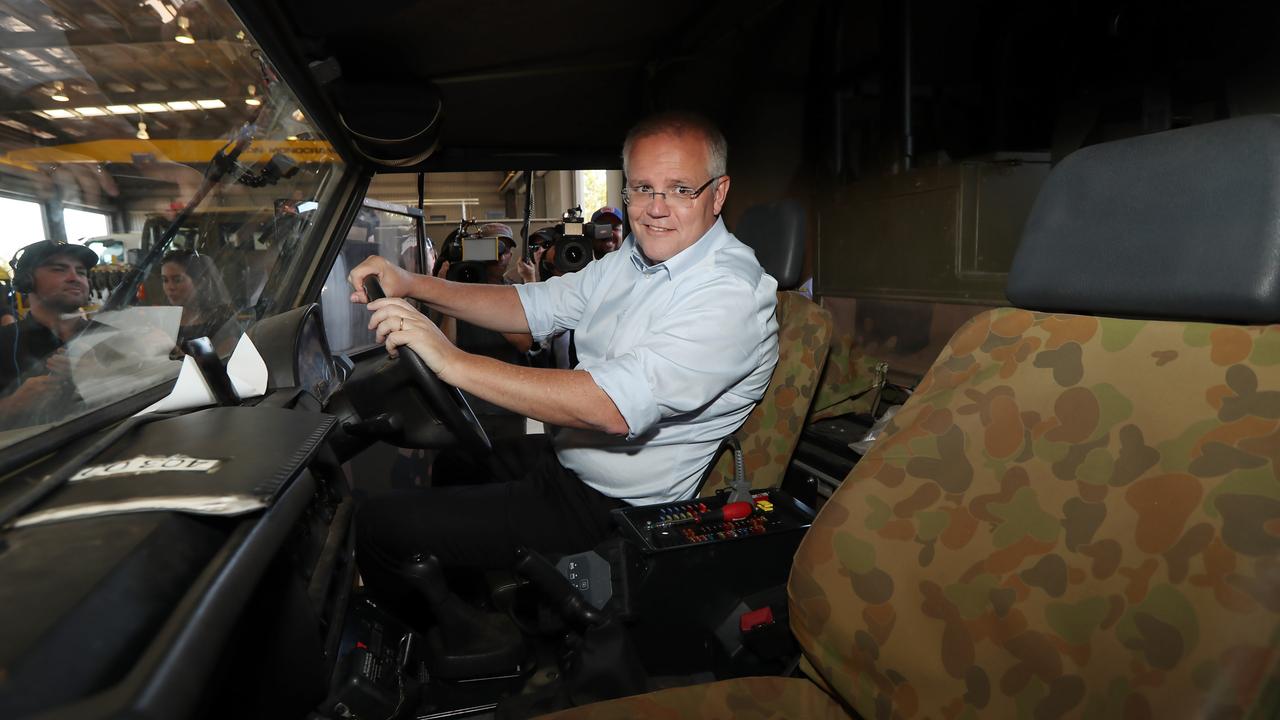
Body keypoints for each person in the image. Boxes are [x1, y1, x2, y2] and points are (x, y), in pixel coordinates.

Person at [349, 112, 779, 583]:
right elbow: (532, 305)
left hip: (612, 508)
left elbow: (613, 406)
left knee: (377, 524)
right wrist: (413, 283)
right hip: (567, 460)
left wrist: (450, 360)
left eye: (681, 189)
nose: (656, 207)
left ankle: (464, 644)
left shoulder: (730, 292)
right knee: (455, 463)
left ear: (718, 193)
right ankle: (476, 613)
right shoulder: (635, 258)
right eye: (641, 188)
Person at [0, 240, 99, 422]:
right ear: (27, 281)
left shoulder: (112, 337)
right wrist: (13, 404)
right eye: (59, 269)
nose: (74, 277)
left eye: (81, 272)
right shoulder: (4, 344)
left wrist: (101, 379)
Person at [160, 249, 236, 350]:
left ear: (198, 282)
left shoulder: (222, 321)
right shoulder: (164, 320)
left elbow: (219, 361)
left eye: (177, 280)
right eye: (165, 280)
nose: (170, 287)